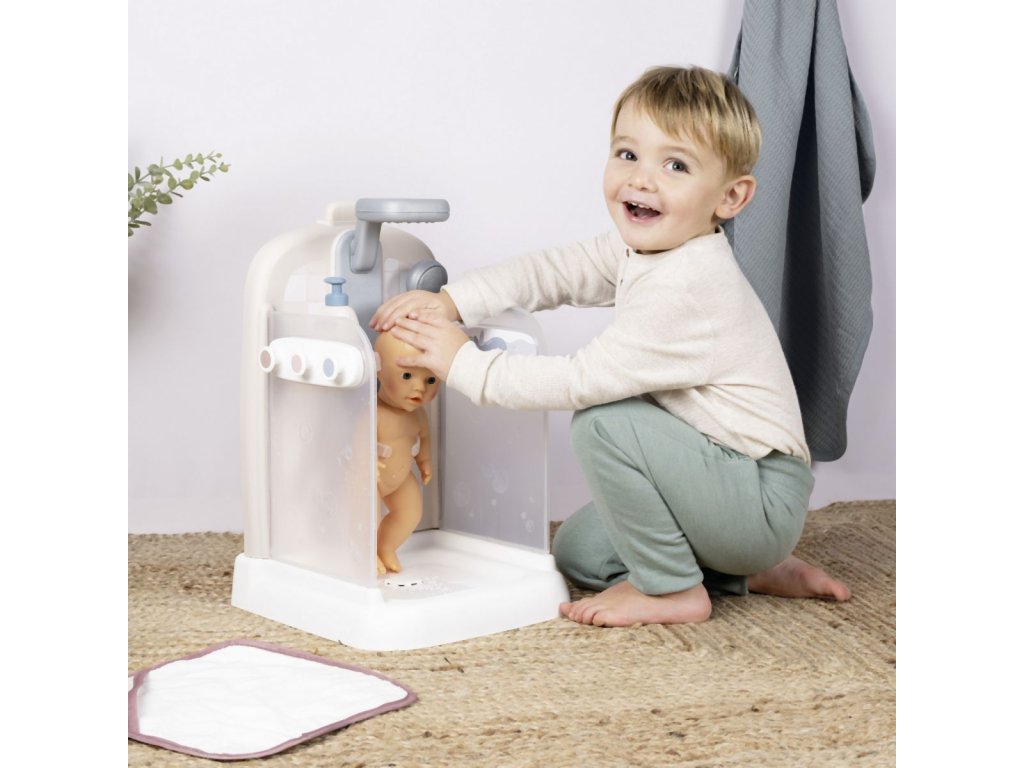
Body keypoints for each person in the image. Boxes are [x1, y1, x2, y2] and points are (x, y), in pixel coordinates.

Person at [370, 65, 851, 626]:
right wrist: (455, 301)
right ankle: (744, 571)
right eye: (628, 154)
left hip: (759, 492)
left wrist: (463, 363)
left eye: (675, 165)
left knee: (603, 421)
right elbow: (551, 272)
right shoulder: (647, 249)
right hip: (722, 486)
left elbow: (581, 380)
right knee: (581, 551)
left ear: (730, 197)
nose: (641, 179)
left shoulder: (689, 288)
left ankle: (676, 590)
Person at [374, 330, 440, 575]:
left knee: (410, 512)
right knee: (368, 518)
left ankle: (386, 548)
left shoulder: (419, 415)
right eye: (407, 375)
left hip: (400, 478)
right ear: (379, 370)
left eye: (430, 380)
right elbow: (353, 442)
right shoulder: (373, 412)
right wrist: (365, 461)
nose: (418, 387)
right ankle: (366, 554)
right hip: (371, 480)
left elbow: (424, 437)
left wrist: (425, 461)